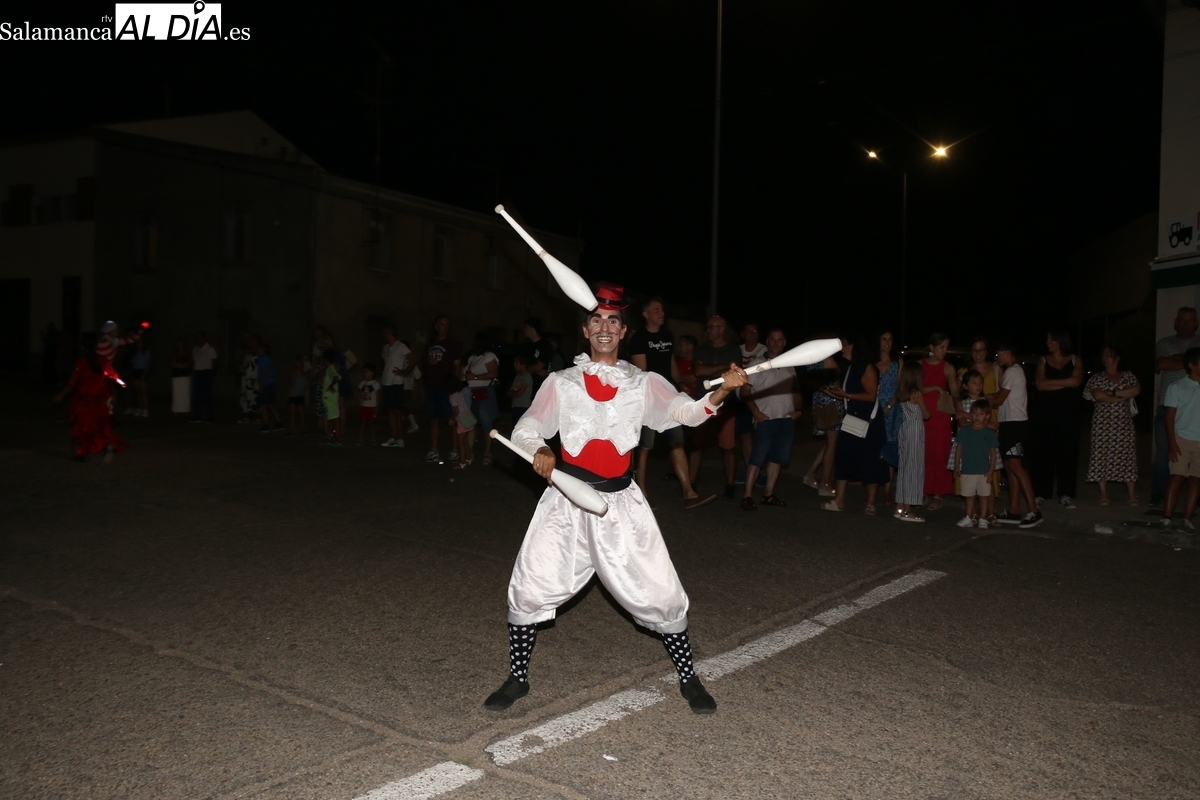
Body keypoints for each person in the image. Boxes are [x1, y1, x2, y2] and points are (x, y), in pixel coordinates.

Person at [483, 283, 748, 715]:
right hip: (564, 504)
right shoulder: (561, 382)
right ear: (586, 330)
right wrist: (541, 450)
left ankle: (689, 678)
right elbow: (527, 428)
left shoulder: (644, 383)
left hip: (621, 506)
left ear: (624, 332)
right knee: (530, 588)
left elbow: (687, 413)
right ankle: (517, 678)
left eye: (612, 321)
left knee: (660, 592)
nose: (604, 327)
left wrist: (723, 391)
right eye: (596, 320)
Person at [630, 298, 715, 509]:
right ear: (646, 314)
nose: (661, 313)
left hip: (668, 398)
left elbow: (671, 364)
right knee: (645, 447)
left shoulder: (667, 336)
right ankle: (641, 496)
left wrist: (679, 384)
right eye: (656, 310)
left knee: (677, 442)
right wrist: (650, 399)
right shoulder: (639, 338)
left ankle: (689, 493)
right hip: (649, 399)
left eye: (662, 309)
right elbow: (642, 373)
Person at [821, 335, 888, 514]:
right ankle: (839, 501)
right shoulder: (848, 368)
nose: (841, 348)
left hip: (869, 421)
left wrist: (846, 395)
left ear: (853, 346)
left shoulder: (867, 367)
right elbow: (842, 394)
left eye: (844, 344)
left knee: (870, 461)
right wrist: (825, 389)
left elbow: (871, 396)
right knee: (843, 458)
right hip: (851, 419)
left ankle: (871, 503)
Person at [739, 328, 802, 510]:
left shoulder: (790, 364)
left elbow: (796, 390)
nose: (776, 342)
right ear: (767, 342)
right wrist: (756, 413)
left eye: (779, 339)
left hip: (786, 419)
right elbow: (744, 391)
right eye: (772, 339)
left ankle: (768, 494)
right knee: (757, 458)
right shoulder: (756, 364)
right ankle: (747, 496)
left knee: (777, 459)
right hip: (765, 419)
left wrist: (798, 410)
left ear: (784, 343)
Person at [989, 342, 1043, 528]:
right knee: (1008, 465)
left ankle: (1034, 510)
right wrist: (992, 397)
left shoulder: (1013, 371)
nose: (997, 357)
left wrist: (979, 401)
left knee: (1015, 465)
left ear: (1008, 352)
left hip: (1016, 424)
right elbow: (1003, 396)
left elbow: (999, 400)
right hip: (1008, 422)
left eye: (998, 353)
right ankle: (1014, 510)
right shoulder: (1011, 371)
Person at [54, 332, 127, 463]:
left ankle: (83, 453)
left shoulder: (81, 362)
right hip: (100, 398)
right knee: (99, 425)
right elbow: (112, 373)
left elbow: (72, 381)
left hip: (84, 399)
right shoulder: (102, 359)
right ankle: (105, 445)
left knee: (83, 427)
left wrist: (61, 395)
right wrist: (120, 382)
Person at [1153, 307, 1200, 506]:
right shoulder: (1165, 342)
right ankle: (1159, 494)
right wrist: (1189, 359)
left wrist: (1176, 359)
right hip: (1167, 404)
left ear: (1196, 323)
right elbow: (1162, 364)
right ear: (1175, 322)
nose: (1185, 324)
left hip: (1195, 408)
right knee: (1165, 451)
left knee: (1196, 454)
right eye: (1182, 320)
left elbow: (1170, 362)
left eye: (1190, 320)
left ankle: (1194, 497)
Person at [1032, 329, 1083, 508]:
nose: (1048, 342)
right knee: (1043, 452)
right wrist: (1066, 383)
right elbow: (1040, 384)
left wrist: (1052, 382)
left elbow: (1077, 382)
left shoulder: (1075, 359)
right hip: (1046, 414)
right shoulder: (1043, 360)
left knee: (1067, 452)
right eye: (1047, 339)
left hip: (1069, 414)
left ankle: (1065, 493)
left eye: (1051, 339)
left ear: (1060, 340)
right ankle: (1040, 492)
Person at [691, 315, 741, 497]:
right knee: (696, 445)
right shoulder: (700, 349)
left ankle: (730, 485)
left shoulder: (734, 350)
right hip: (702, 403)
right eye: (708, 326)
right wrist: (722, 368)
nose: (708, 330)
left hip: (726, 405)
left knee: (728, 446)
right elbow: (698, 371)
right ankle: (691, 484)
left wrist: (710, 369)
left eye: (712, 327)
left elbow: (733, 371)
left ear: (722, 329)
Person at [1083, 345, 1141, 506]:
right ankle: (1103, 494)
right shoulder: (1097, 378)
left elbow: (1135, 391)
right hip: (1102, 425)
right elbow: (1097, 395)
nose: (1105, 358)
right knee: (1100, 456)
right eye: (1103, 355)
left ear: (1117, 358)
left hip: (1124, 424)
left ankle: (1131, 494)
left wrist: (1112, 393)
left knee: (1128, 457)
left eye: (1108, 355)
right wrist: (1120, 397)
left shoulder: (1128, 376)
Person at [1162, 347, 1200, 530]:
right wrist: (1172, 443)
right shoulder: (1177, 386)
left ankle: (1186, 520)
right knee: (1176, 476)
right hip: (1181, 438)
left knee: (1196, 480)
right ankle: (1167, 518)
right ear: (1192, 365)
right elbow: (1169, 418)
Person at [802, 338, 845, 498]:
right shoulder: (827, 360)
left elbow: (813, 382)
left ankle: (811, 474)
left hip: (819, 402)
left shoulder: (811, 360)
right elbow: (833, 384)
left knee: (829, 441)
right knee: (832, 443)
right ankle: (825, 482)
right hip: (831, 403)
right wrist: (838, 394)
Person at [921, 333, 958, 510]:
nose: (945, 350)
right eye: (941, 347)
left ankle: (938, 494)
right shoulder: (920, 365)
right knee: (924, 452)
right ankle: (923, 489)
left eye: (946, 347)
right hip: (922, 415)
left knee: (939, 453)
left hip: (941, 417)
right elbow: (913, 387)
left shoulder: (948, 367)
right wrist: (935, 387)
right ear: (932, 347)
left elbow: (955, 392)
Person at [953, 398, 999, 528]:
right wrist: (957, 466)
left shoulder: (988, 433)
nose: (977, 417)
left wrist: (991, 470)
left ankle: (983, 518)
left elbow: (993, 453)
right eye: (974, 413)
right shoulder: (965, 431)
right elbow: (959, 448)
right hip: (968, 469)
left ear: (987, 416)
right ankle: (968, 516)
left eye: (981, 414)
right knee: (969, 495)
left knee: (984, 495)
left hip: (983, 471)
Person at [423, 315, 463, 463]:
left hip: (446, 386)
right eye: (442, 324)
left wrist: (455, 386)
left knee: (450, 418)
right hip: (431, 385)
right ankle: (434, 449)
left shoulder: (453, 344)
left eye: (447, 324)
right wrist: (427, 361)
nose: (444, 327)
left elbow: (457, 365)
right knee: (433, 418)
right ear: (436, 327)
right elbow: (423, 363)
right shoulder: (430, 343)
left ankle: (455, 450)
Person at [894, 360, 930, 522]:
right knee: (913, 469)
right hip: (915, 432)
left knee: (904, 467)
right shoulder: (917, 394)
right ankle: (908, 510)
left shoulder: (902, 393)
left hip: (905, 430)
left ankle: (900, 506)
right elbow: (926, 414)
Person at [735, 322, 767, 488]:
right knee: (745, 435)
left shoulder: (763, 350)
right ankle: (750, 471)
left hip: (759, 398)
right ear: (742, 334)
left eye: (755, 330)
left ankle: (762, 471)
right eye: (749, 330)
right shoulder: (737, 350)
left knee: (761, 436)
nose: (752, 333)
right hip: (741, 399)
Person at [464, 333, 500, 466]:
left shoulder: (489, 356)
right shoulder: (472, 357)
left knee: (486, 423)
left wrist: (474, 377)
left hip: (484, 392)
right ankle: (469, 453)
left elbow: (493, 373)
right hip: (470, 392)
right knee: (470, 423)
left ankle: (487, 452)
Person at [875, 330, 902, 504]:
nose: (887, 342)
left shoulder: (898, 362)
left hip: (893, 410)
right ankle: (872, 488)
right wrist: (878, 408)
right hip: (874, 410)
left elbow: (901, 388)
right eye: (884, 339)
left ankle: (887, 490)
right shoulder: (872, 363)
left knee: (891, 449)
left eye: (890, 339)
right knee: (875, 448)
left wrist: (889, 406)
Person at [381, 326, 416, 448]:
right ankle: (393, 436)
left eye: (384, 333)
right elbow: (385, 363)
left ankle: (400, 437)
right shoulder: (386, 347)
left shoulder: (400, 346)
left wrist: (404, 372)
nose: (383, 335)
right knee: (390, 410)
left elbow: (413, 359)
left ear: (389, 333)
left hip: (396, 382)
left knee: (397, 411)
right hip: (386, 382)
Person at [446, 374, 477, 469]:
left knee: (461, 442)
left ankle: (462, 462)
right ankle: (468, 458)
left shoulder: (452, 397)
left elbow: (457, 411)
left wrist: (451, 418)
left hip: (462, 420)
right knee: (465, 441)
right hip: (467, 417)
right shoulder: (459, 393)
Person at [191, 331, 217, 423]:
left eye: (200, 337)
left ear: (204, 338)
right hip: (197, 373)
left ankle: (210, 416)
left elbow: (214, 363)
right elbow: (193, 361)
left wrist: (212, 374)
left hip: (206, 373)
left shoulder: (210, 349)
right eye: (197, 337)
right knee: (197, 395)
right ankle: (197, 415)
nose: (198, 339)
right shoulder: (195, 349)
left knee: (208, 395)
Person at [522, 317, 552, 394]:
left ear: (532, 329)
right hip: (526, 385)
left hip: (539, 385)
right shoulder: (526, 346)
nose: (524, 330)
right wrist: (534, 370)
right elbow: (520, 366)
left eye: (526, 327)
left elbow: (539, 367)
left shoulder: (544, 345)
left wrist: (527, 369)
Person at [257, 342, 282, 432]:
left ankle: (266, 425)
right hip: (270, 383)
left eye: (259, 349)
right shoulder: (268, 359)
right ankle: (278, 423)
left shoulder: (262, 359)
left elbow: (265, 372)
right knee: (269, 404)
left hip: (266, 384)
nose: (258, 351)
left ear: (263, 350)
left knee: (264, 405)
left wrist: (262, 385)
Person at [320, 349, 343, 445]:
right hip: (329, 399)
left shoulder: (330, 368)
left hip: (330, 399)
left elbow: (336, 378)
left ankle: (336, 437)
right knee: (331, 418)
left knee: (335, 418)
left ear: (325, 360)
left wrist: (330, 385)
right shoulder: (331, 368)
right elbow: (338, 376)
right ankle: (329, 436)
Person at [237, 334, 259, 423]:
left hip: (255, 379)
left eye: (251, 340)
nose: (249, 342)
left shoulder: (259, 352)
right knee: (245, 397)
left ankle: (257, 417)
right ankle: (245, 416)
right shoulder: (247, 353)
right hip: (245, 378)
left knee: (255, 397)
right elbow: (239, 362)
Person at [356, 363, 381, 444]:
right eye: (363, 372)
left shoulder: (375, 384)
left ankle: (373, 438)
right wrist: (358, 404)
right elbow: (360, 394)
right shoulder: (362, 383)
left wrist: (377, 407)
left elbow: (377, 396)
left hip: (372, 406)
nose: (364, 374)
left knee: (372, 424)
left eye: (366, 372)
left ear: (372, 373)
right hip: (363, 406)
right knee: (362, 423)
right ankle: (360, 438)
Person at [127, 337, 151, 417]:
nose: (139, 344)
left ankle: (145, 409)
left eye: (140, 342)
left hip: (142, 371)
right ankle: (140, 408)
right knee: (138, 392)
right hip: (136, 371)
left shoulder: (146, 352)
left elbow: (148, 364)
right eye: (138, 342)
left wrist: (144, 374)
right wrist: (131, 375)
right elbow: (133, 364)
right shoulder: (135, 352)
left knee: (143, 392)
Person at [170, 338, 192, 419]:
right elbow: (173, 364)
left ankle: (186, 410)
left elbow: (189, 364)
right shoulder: (174, 355)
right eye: (179, 343)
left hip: (185, 376)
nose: (180, 345)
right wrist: (182, 365)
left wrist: (180, 365)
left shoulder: (187, 354)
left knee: (185, 393)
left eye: (181, 343)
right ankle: (176, 410)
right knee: (176, 393)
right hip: (176, 376)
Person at [509, 355, 534, 425]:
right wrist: (513, 393)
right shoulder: (518, 376)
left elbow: (519, 393)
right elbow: (510, 391)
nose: (514, 365)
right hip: (515, 405)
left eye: (516, 363)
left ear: (523, 365)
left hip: (523, 406)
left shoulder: (527, 377)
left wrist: (513, 393)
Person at [287, 356, 307, 436]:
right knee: (301, 413)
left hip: (294, 394)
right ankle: (303, 429)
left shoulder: (296, 372)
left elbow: (292, 383)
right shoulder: (304, 372)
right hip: (301, 394)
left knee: (293, 413)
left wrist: (288, 393)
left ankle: (292, 431)